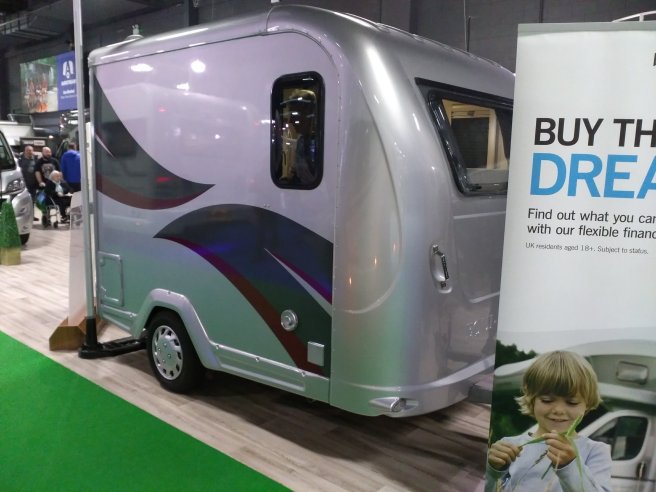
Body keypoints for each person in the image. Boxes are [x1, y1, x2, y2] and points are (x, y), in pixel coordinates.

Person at [486, 350, 612, 492]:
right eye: (547, 400)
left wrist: (570, 466)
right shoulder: (509, 446)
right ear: (531, 400)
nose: (559, 410)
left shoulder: (595, 451)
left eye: (572, 402)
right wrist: (491, 471)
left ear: (587, 404)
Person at [17, 145, 38, 220]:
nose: (29, 152)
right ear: (24, 151)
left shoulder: (36, 159)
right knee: (23, 201)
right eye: (28, 150)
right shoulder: (20, 160)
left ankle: (31, 216)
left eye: (31, 150)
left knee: (32, 201)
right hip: (23, 185)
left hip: (33, 184)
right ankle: (22, 216)